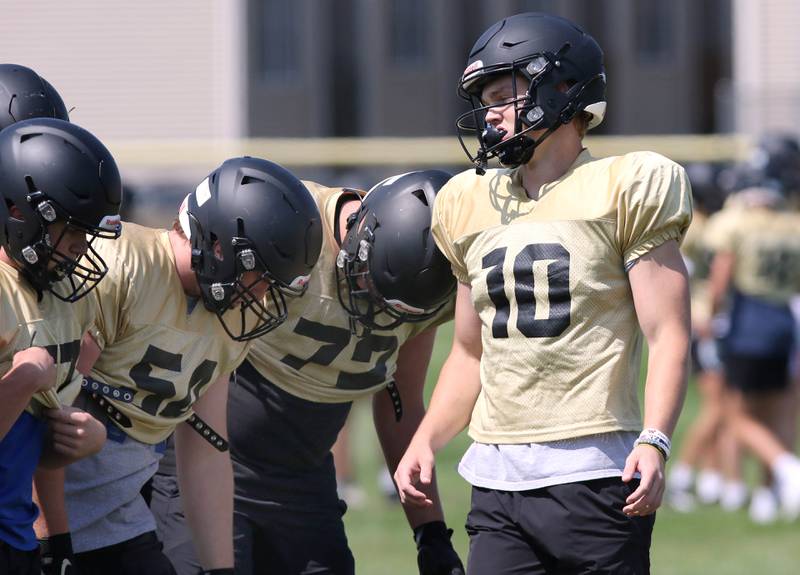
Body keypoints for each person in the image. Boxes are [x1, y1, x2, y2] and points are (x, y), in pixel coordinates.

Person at [395, 12, 692, 574]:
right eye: (485, 97)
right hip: (496, 480)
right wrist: (427, 439)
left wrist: (655, 440)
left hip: (597, 474)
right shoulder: (468, 202)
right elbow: (469, 351)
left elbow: (669, 333)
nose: (491, 112)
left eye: (506, 94)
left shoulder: (624, 186)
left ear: (561, 89)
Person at [149, 170, 464, 575]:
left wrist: (430, 532)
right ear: (358, 230)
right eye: (370, 284)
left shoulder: (435, 277)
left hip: (305, 481)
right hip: (209, 462)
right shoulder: (288, 222)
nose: (375, 309)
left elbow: (400, 402)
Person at [35, 156, 323, 575]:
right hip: (37, 520)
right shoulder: (122, 270)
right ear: (220, 247)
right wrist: (52, 543)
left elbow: (206, 446)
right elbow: (41, 419)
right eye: (259, 276)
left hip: (118, 525)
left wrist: (220, 569)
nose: (262, 295)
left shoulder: (228, 315)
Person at [1, 114, 123, 574]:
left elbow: (24, 444)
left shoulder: (60, 298)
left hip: (17, 539)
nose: (81, 246)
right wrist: (25, 378)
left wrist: (82, 440)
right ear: (18, 211)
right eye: (72, 229)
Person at [702, 183, 800, 523]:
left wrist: (711, 317)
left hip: (749, 323)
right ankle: (766, 495)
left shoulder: (738, 224)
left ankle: (785, 466)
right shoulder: (792, 225)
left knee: (736, 414)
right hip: (784, 322)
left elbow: (719, 281)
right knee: (773, 414)